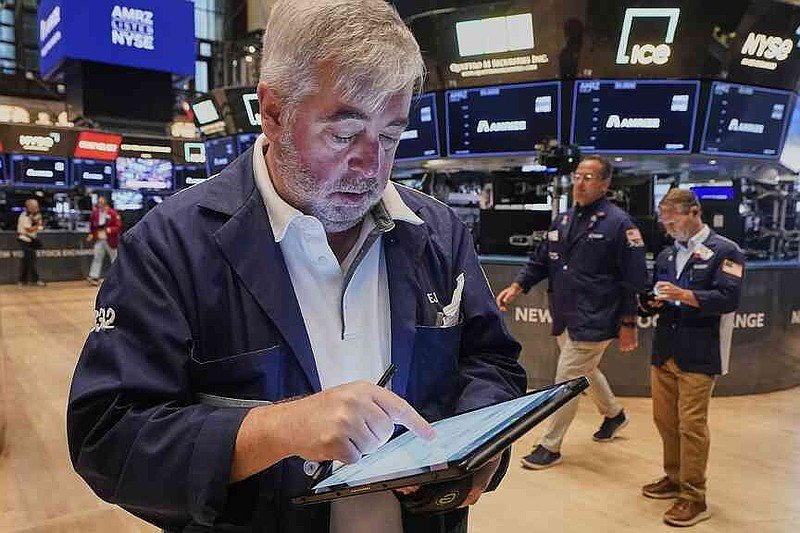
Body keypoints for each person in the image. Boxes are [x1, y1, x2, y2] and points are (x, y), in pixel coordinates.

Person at [66, 1, 526, 532]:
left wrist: (481, 444)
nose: (372, 165)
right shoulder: (173, 246)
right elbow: (107, 436)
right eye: (344, 133)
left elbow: (491, 360)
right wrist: (275, 430)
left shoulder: (437, 233)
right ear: (275, 111)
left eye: (391, 135)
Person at [495, 155, 647, 469]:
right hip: (565, 315)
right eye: (578, 175)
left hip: (597, 317)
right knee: (585, 371)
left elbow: (634, 279)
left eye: (589, 177)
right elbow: (541, 260)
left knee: (566, 381)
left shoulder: (619, 224)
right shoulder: (563, 220)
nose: (580, 182)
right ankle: (614, 414)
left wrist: (629, 321)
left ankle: (550, 446)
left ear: (605, 184)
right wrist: (517, 287)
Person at [639, 189, 744, 527]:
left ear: (694, 212)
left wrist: (687, 295)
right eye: (663, 219)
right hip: (665, 350)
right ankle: (673, 477)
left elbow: (729, 299)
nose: (667, 225)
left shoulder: (727, 251)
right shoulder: (668, 254)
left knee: (692, 426)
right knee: (664, 421)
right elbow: (657, 292)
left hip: (699, 353)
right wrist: (649, 303)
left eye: (672, 217)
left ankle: (694, 496)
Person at [86, 195, 122, 286]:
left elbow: (118, 226)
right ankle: (94, 277)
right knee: (97, 258)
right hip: (99, 239)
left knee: (115, 259)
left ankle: (119, 278)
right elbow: (92, 225)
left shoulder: (113, 213)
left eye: (102, 202)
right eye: (99, 202)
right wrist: (91, 233)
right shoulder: (95, 213)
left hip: (111, 240)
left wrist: (108, 230)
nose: (100, 204)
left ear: (106, 203)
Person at [16, 198, 45, 287]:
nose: (37, 208)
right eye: (35, 206)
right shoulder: (24, 215)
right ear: (29, 207)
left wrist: (38, 221)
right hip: (24, 239)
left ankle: (26, 280)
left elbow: (40, 224)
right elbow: (29, 229)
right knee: (28, 260)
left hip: (32, 240)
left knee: (30, 260)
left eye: (37, 206)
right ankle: (27, 280)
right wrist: (38, 226)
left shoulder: (36, 215)